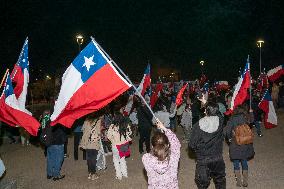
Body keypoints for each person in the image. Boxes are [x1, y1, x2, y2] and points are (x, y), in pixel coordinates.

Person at [189, 100, 226, 189]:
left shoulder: (197, 126)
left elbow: (191, 145)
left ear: (205, 111)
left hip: (203, 160)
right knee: (220, 181)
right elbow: (219, 114)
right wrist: (207, 104)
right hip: (218, 158)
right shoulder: (220, 121)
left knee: (202, 183)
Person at [142, 119, 181, 189]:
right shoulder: (174, 155)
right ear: (168, 145)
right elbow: (176, 143)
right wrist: (164, 128)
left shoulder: (146, 158)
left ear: (152, 146)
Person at [224, 105, 254, 187]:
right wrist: (251, 113)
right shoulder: (246, 117)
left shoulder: (232, 119)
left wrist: (230, 139)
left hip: (235, 143)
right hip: (245, 142)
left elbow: (227, 131)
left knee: (236, 162)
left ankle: (238, 182)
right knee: (244, 161)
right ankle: (245, 181)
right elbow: (252, 120)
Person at [107, 112, 132, 180]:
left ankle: (119, 175)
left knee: (115, 159)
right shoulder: (125, 124)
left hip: (115, 145)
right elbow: (130, 132)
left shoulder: (112, 126)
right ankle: (125, 173)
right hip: (123, 144)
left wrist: (112, 140)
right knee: (122, 159)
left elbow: (108, 136)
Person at [80, 115, 102, 180]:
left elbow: (83, 130)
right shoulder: (98, 121)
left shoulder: (86, 120)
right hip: (94, 142)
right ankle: (93, 174)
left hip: (86, 142)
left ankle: (90, 172)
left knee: (89, 158)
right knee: (93, 158)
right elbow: (98, 132)